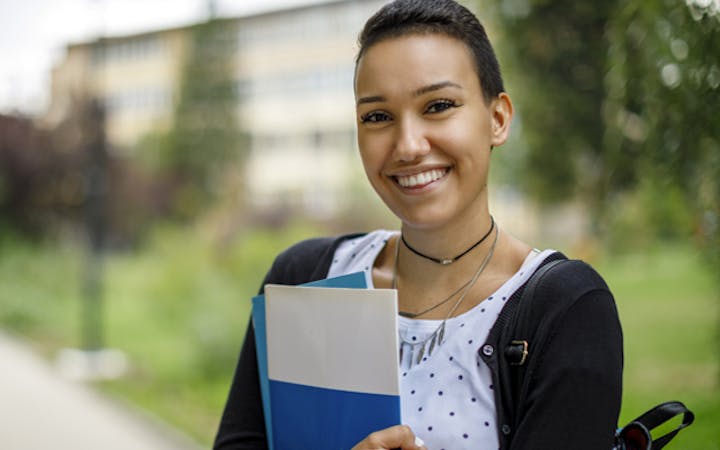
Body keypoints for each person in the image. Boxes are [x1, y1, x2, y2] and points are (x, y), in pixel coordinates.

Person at [214, 1, 623, 449]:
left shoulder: (565, 310)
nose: (407, 146)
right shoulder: (306, 277)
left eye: (438, 105)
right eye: (377, 116)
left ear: (498, 119)